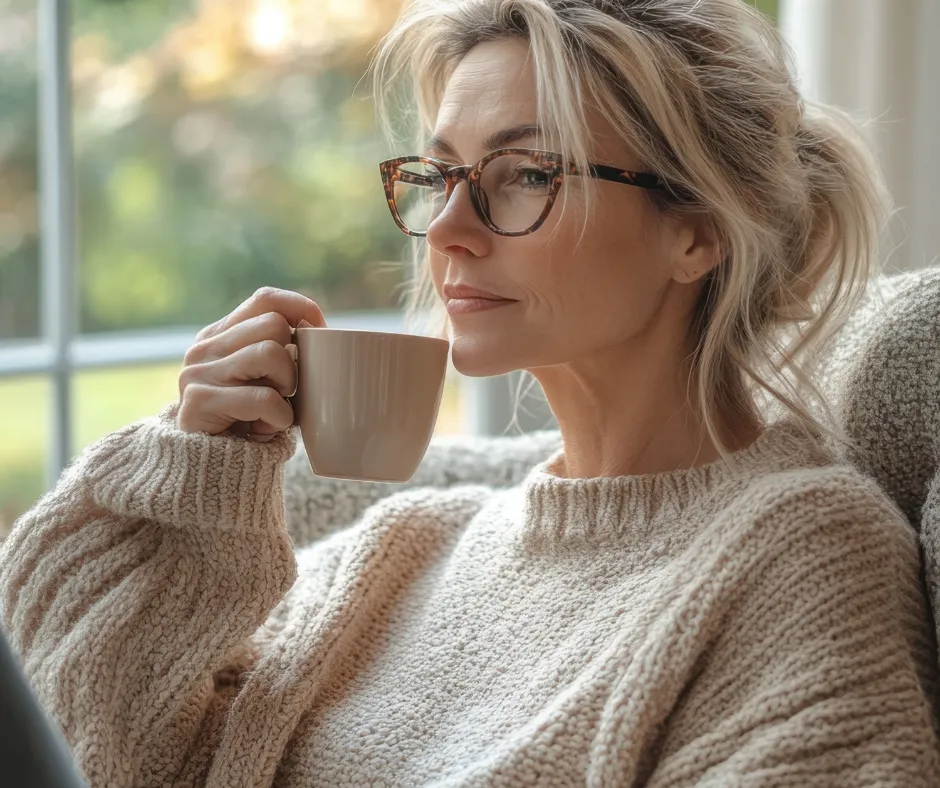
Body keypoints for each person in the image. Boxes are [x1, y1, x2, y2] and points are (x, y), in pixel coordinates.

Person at [1, 0, 938, 784]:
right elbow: (104, 755)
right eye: (442, 173)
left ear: (695, 232)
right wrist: (191, 486)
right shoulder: (404, 550)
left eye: (525, 173)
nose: (446, 227)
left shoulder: (804, 549)